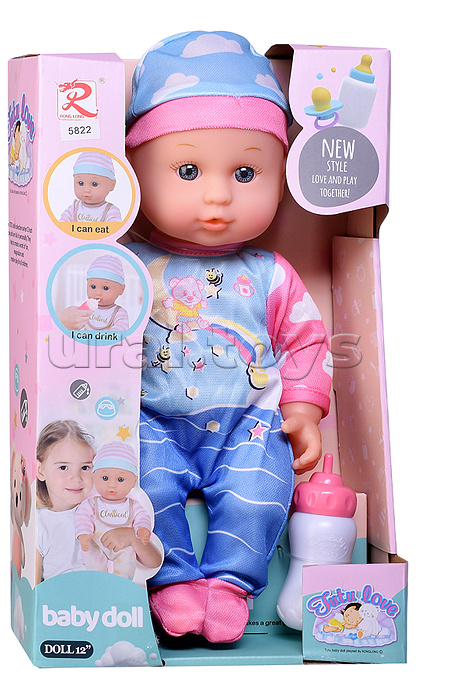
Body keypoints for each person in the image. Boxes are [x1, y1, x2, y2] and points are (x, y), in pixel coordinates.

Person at [123, 31, 333, 643]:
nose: (218, 194)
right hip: (151, 420)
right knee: (140, 486)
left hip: (248, 423)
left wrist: (303, 409)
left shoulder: (270, 273)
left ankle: (229, 586)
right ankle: (172, 582)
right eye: (187, 170)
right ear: (135, 172)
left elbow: (306, 341)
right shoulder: (126, 266)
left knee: (259, 491)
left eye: (246, 172)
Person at [75, 442, 155, 580]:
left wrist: (142, 528)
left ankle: (121, 585)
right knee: (94, 566)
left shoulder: (133, 505)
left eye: (120, 479)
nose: (112, 485)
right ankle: (97, 584)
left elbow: (142, 516)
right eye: (105, 478)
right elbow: (82, 517)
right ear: (94, 477)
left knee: (126, 565)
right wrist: (84, 534)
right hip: (97, 545)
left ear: (133, 481)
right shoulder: (91, 503)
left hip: (123, 546)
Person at [35, 420, 96, 584]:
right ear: (41, 470)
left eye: (85, 468)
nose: (76, 478)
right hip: (57, 597)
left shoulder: (99, 511)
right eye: (63, 467)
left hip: (99, 593)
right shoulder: (39, 524)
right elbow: (33, 585)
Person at [59, 151, 121, 223]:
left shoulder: (110, 211)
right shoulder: (74, 208)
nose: (86, 190)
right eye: (81, 183)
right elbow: (61, 224)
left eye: (94, 184)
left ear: (112, 185)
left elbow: (115, 228)